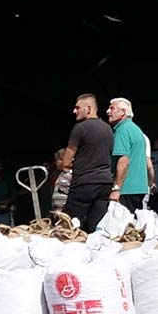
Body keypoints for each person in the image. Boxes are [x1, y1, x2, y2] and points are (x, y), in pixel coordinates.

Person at [63, 94, 114, 233]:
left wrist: (72, 163)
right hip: (104, 183)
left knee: (68, 226)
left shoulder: (80, 128)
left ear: (88, 109)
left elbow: (66, 162)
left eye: (77, 107)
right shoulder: (108, 129)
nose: (74, 111)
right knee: (97, 227)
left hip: (84, 183)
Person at [106, 97, 149, 213]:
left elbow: (123, 160)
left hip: (126, 188)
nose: (108, 112)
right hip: (138, 187)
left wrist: (116, 188)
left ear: (123, 112)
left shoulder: (122, 130)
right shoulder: (136, 130)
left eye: (112, 108)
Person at [50, 149, 73, 213]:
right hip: (57, 211)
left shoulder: (71, 174)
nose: (56, 163)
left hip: (66, 211)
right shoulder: (58, 174)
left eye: (57, 159)